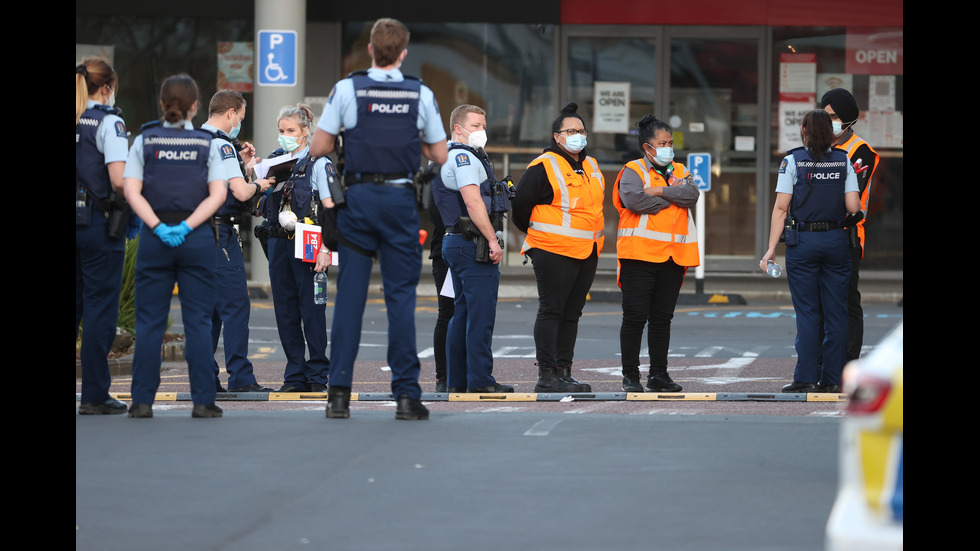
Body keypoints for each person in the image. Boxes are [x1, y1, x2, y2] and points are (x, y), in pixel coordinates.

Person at [311, 17, 448, 420]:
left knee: (350, 300)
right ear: (403, 53)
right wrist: (408, 139)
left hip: (358, 200)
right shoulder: (420, 94)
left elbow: (319, 146)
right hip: (399, 201)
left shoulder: (347, 88)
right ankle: (406, 396)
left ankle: (338, 395)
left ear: (370, 49)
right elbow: (440, 155)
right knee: (401, 299)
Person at [122, 74, 230, 418]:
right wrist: (186, 226)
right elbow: (218, 195)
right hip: (196, 238)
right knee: (198, 320)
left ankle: (141, 402)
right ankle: (203, 401)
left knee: (150, 322)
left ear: (161, 104)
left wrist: (157, 226)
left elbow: (131, 191)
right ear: (195, 106)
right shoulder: (207, 142)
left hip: (155, 238)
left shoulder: (145, 140)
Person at [761, 109, 860, 394]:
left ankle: (805, 377)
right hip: (836, 241)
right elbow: (853, 207)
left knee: (807, 312)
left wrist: (770, 250)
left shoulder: (792, 161)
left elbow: (781, 208)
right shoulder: (844, 161)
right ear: (831, 133)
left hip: (802, 243)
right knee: (837, 313)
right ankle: (833, 379)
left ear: (803, 131)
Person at [512, 102, 604, 394]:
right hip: (552, 249)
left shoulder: (590, 165)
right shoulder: (544, 165)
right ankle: (547, 375)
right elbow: (520, 205)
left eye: (581, 130)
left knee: (572, 312)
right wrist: (539, 236)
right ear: (557, 136)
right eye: (570, 131)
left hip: (586, 250)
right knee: (552, 310)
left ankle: (564, 371)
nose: (577, 135)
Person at [612, 115, 701, 393]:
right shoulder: (633, 169)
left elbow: (692, 195)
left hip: (673, 257)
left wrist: (660, 190)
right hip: (639, 255)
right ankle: (631, 376)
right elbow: (635, 200)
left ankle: (658, 375)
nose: (667, 148)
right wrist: (672, 196)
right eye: (661, 143)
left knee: (662, 319)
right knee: (635, 316)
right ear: (647, 147)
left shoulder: (679, 169)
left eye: (670, 143)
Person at [432, 104, 514, 394]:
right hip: (472, 243)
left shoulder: (445, 156)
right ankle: (480, 380)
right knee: (479, 315)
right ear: (458, 128)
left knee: (462, 313)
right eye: (476, 125)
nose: (482, 131)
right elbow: (473, 202)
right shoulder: (464, 156)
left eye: (483, 124)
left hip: (454, 241)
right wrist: (492, 239)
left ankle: (458, 380)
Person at [200, 90, 274, 393]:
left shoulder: (197, 139)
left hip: (199, 231)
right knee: (235, 306)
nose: (239, 125)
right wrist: (259, 182)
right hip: (220, 234)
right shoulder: (221, 144)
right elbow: (241, 194)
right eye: (240, 118)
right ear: (230, 112)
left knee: (211, 311)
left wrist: (242, 168)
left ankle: (206, 377)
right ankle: (241, 377)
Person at [259, 104, 335, 393]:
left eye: (291, 131)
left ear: (305, 132)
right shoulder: (273, 163)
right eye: (281, 131)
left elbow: (331, 211)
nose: (285, 136)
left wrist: (326, 248)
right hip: (278, 243)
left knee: (312, 311)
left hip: (309, 243)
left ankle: (317, 377)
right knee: (286, 312)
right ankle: (294, 376)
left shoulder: (319, 163)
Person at [75, 57, 129, 415]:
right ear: (106, 88)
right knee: (99, 307)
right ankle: (94, 394)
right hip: (96, 224)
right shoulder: (109, 121)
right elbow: (118, 180)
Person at [819, 88, 879, 363]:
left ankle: (847, 363)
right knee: (817, 304)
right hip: (815, 235)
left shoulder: (861, 151)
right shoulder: (816, 148)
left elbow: (846, 195)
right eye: (824, 115)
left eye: (833, 116)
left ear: (848, 120)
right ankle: (820, 364)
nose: (828, 121)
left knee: (845, 302)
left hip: (847, 235)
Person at [427, 188, 453, 393]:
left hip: (470, 250)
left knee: (471, 314)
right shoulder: (440, 165)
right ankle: (443, 376)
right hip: (445, 252)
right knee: (447, 313)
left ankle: (466, 373)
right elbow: (434, 210)